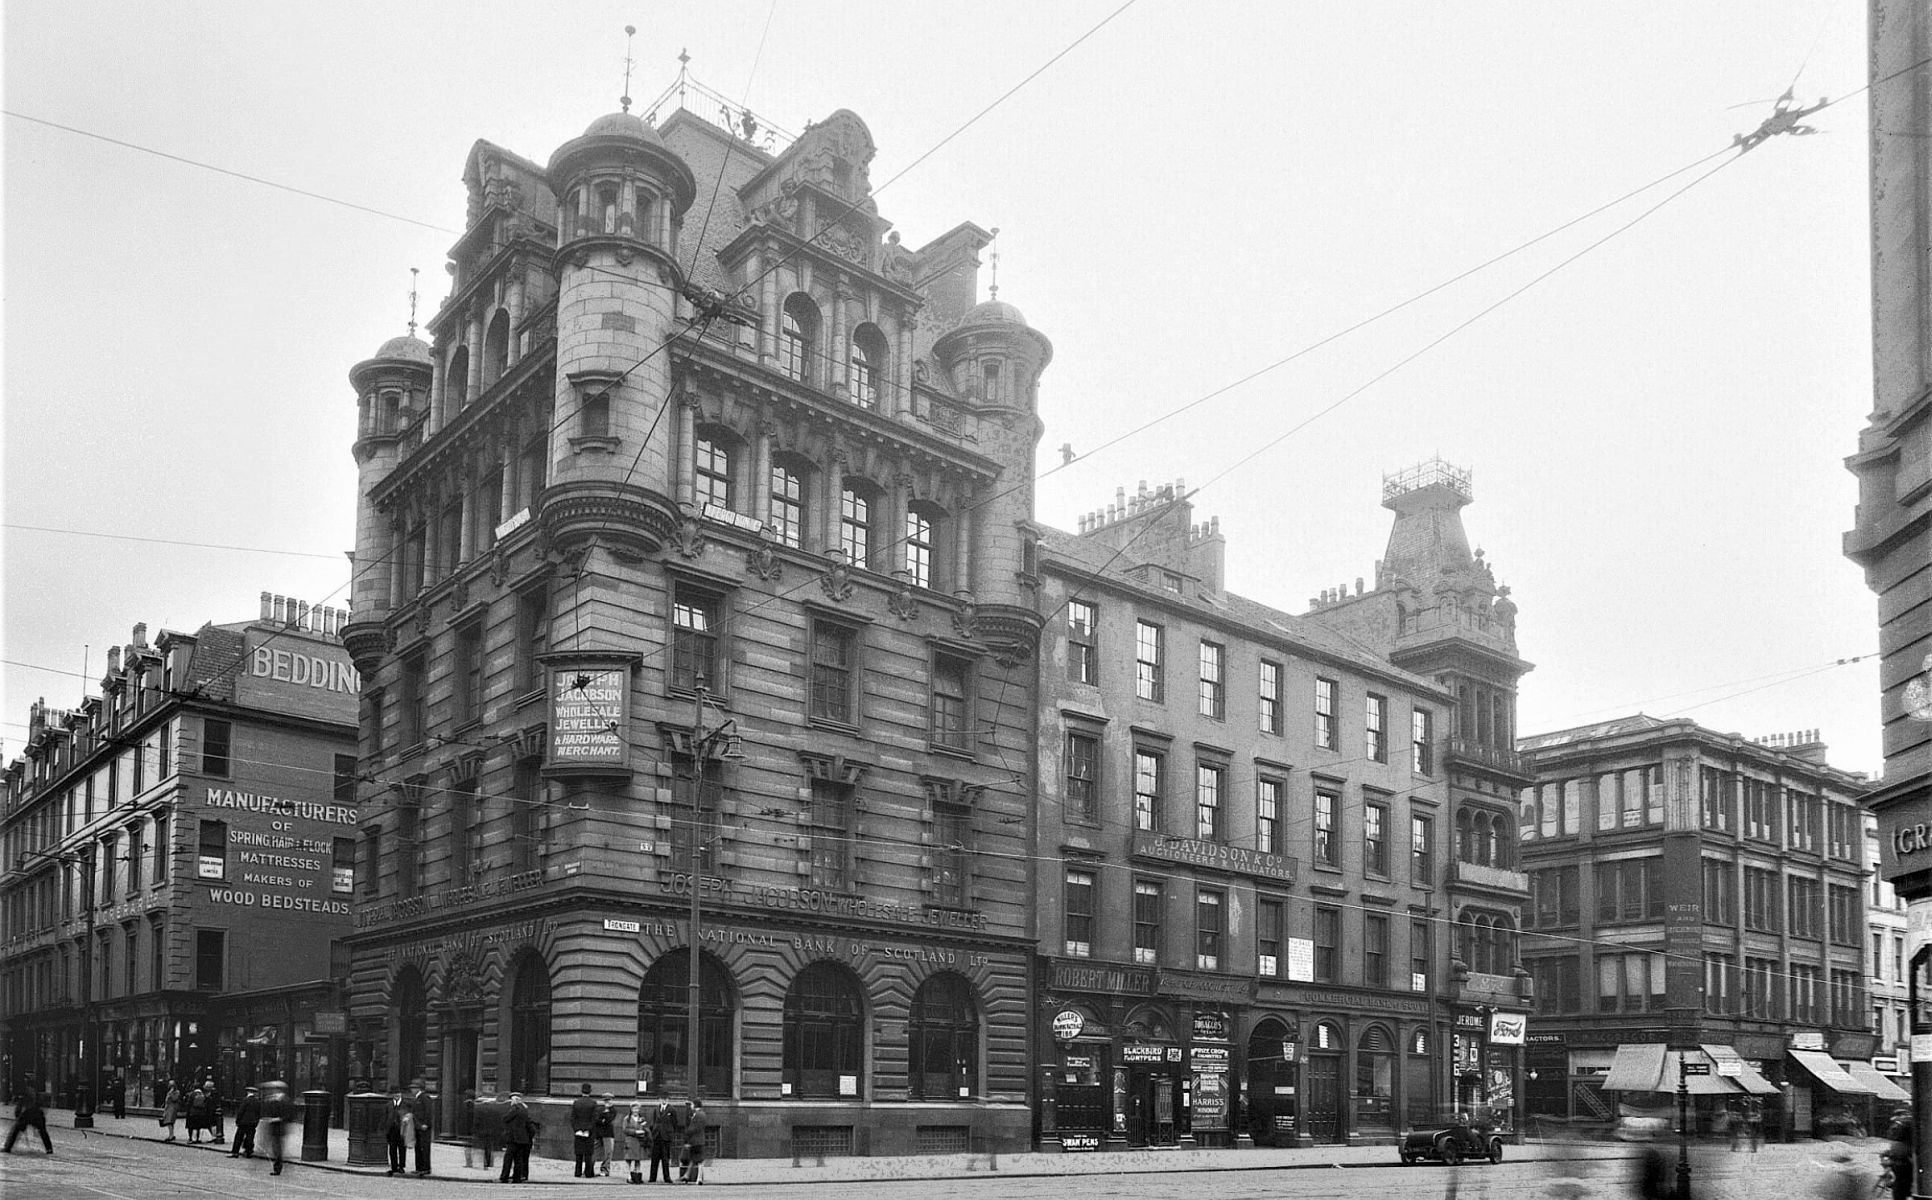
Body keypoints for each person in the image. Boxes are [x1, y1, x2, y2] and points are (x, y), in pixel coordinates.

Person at [3, 1080, 52, 1154]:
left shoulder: (26, 1096)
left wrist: (18, 1116)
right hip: (32, 1115)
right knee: (42, 1131)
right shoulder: (35, 1096)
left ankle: (7, 1147)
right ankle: (49, 1149)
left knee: (16, 1129)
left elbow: (20, 1107)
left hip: (31, 1115)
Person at [499, 1093, 537, 1184]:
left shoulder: (515, 1109)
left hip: (513, 1139)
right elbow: (530, 1126)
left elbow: (505, 1119)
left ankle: (504, 1177)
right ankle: (517, 1178)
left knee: (508, 1158)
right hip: (522, 1140)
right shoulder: (524, 1110)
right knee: (518, 1159)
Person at [261, 1082, 293, 1176]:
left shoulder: (285, 1100)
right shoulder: (273, 1100)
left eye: (274, 1089)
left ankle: (277, 1168)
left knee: (277, 1149)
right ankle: (278, 1164)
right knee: (275, 1148)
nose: (272, 1091)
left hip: (280, 1128)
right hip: (273, 1128)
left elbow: (289, 1116)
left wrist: (277, 1119)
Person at [1883, 1107, 1915, 1200]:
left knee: (1901, 1184)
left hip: (1901, 1159)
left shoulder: (1898, 1126)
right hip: (1902, 1159)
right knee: (1902, 1183)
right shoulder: (1901, 1126)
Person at [649, 1099, 681, 1183]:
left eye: (665, 1099)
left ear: (668, 1100)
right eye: (662, 1099)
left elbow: (675, 1123)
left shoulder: (672, 1109)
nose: (663, 1101)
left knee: (665, 1158)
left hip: (666, 1136)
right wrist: (654, 1130)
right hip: (657, 1136)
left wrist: (670, 1133)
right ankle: (652, 1177)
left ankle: (667, 1177)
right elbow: (654, 1121)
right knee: (654, 1158)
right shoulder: (656, 1109)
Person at [570, 1083, 599, 1178]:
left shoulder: (576, 1103)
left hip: (578, 1132)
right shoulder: (593, 1103)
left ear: (581, 1091)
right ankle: (588, 1173)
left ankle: (577, 1173)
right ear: (590, 1091)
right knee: (588, 1154)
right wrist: (587, 1129)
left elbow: (573, 1118)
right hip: (589, 1132)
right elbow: (594, 1119)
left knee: (578, 1153)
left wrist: (577, 1129)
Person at [228, 1085, 262, 1158]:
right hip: (253, 1122)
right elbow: (259, 1113)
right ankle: (249, 1152)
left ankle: (235, 1152)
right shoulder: (257, 1102)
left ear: (248, 1092)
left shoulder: (245, 1100)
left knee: (239, 1137)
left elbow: (241, 1111)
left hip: (243, 1122)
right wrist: (256, 1122)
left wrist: (237, 1120)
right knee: (250, 1137)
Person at [410, 1081, 435, 1177]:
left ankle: (426, 1168)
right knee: (418, 1147)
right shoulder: (416, 1098)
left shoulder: (424, 1098)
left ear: (418, 1089)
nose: (411, 1090)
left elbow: (429, 1112)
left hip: (424, 1127)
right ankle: (419, 1167)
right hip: (417, 1126)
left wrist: (426, 1124)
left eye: (413, 1088)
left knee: (424, 1148)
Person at [622, 1102, 649, 1184]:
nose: (635, 1111)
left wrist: (644, 1130)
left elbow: (646, 1129)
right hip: (630, 1141)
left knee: (638, 1160)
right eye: (634, 1109)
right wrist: (635, 1132)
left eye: (637, 1109)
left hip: (639, 1142)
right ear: (631, 1109)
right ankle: (629, 1176)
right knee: (629, 1160)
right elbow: (625, 1130)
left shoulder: (642, 1119)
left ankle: (637, 1176)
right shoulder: (627, 1119)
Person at [681, 1100, 707, 1185]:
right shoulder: (703, 1114)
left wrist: (687, 1134)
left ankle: (698, 1178)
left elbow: (693, 1128)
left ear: (695, 1105)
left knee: (697, 1160)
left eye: (692, 1104)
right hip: (700, 1140)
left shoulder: (697, 1115)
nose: (691, 1106)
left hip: (695, 1140)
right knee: (694, 1159)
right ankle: (687, 1175)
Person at [384, 1091, 411, 1175]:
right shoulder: (388, 1105)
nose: (396, 1095)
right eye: (395, 1093)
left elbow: (409, 1115)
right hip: (391, 1131)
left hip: (402, 1130)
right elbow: (385, 1117)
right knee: (392, 1149)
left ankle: (401, 1167)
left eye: (398, 1093)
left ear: (401, 1094)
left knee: (402, 1149)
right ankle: (394, 1167)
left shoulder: (406, 1104)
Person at [594, 1092, 617, 1176]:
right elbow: (596, 1119)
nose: (607, 1102)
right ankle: (590, 1168)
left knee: (608, 1152)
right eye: (606, 1100)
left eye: (609, 1100)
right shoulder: (599, 1109)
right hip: (598, 1133)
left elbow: (609, 1119)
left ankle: (605, 1170)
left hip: (608, 1134)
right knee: (595, 1151)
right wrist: (602, 1120)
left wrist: (606, 1112)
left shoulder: (613, 1110)